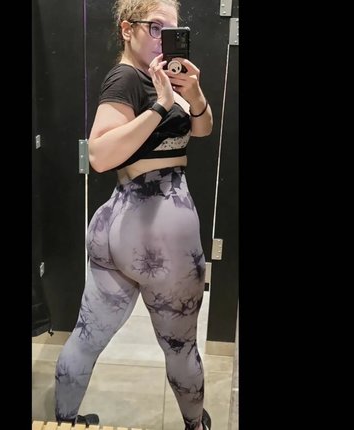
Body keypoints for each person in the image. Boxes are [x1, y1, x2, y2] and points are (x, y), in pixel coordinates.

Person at [55, 0, 213, 428]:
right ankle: (196, 425)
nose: (164, 38)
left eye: (172, 30)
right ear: (127, 29)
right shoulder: (126, 78)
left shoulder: (160, 76)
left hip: (116, 225)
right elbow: (100, 155)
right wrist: (161, 105)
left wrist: (192, 93)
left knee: (86, 337)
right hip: (162, 231)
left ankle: (63, 421)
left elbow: (202, 129)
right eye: (155, 27)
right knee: (181, 349)